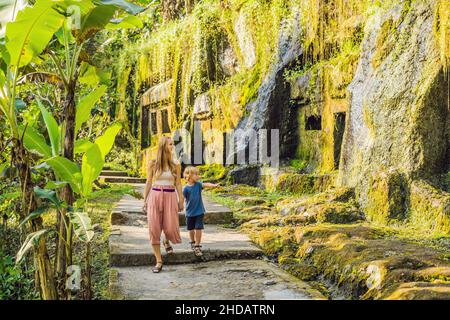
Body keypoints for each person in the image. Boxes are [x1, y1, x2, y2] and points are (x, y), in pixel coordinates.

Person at [143, 136, 184, 273]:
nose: (172, 147)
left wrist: (181, 200)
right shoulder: (153, 163)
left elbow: (178, 183)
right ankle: (159, 261)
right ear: (163, 146)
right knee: (154, 229)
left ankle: (166, 240)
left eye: (173, 144)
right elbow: (149, 182)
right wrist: (145, 200)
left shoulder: (176, 164)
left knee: (171, 228)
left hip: (170, 196)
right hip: (155, 195)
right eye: (170, 144)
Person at [182, 166, 219, 257]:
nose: (198, 176)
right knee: (191, 229)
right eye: (196, 174)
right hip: (190, 212)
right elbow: (182, 199)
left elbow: (206, 184)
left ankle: (197, 245)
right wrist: (178, 206)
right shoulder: (185, 188)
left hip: (199, 211)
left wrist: (214, 185)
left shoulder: (198, 185)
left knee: (198, 228)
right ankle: (192, 242)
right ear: (189, 176)